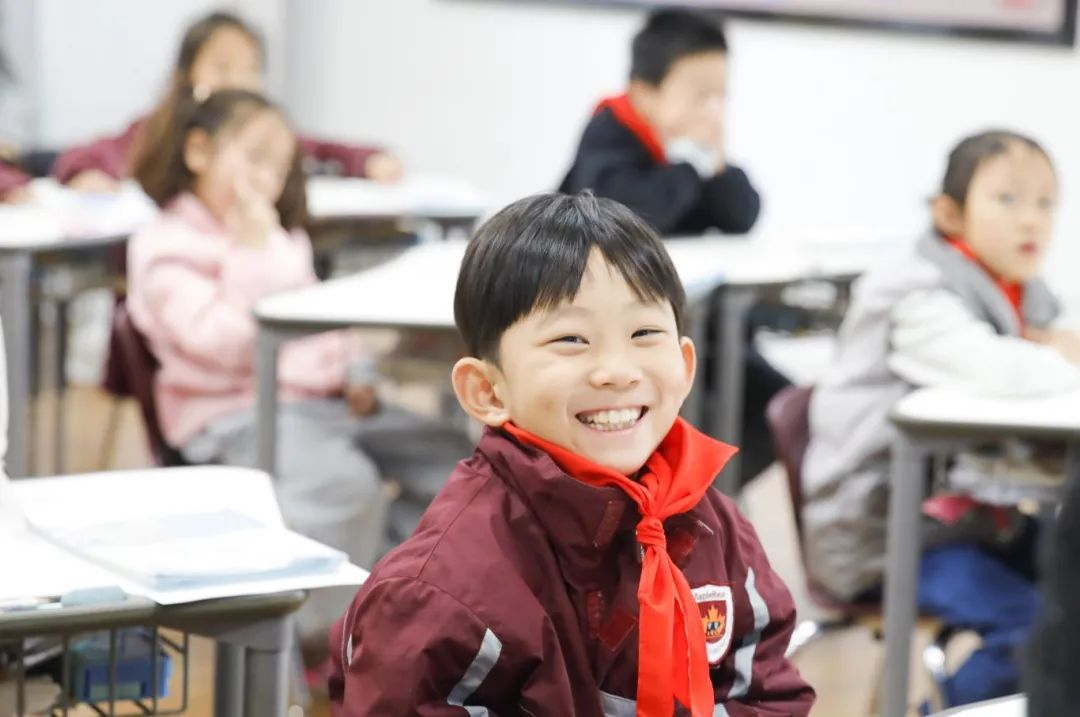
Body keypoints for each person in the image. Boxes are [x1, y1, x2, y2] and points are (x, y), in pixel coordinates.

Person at [328, 192, 814, 716]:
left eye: (645, 333)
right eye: (572, 339)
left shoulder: (714, 526)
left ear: (684, 364)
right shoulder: (439, 586)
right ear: (487, 391)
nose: (617, 370)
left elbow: (768, 691)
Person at [124, 87, 468, 654]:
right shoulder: (166, 245)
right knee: (346, 485)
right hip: (234, 413)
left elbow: (323, 318)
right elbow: (228, 346)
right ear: (199, 152)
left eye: (281, 167)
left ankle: (392, 608)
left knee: (454, 465)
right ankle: (322, 646)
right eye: (255, 158)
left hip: (321, 402)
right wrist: (251, 249)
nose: (269, 178)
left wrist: (355, 371)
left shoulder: (280, 234)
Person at [804, 129, 1080, 705]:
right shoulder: (916, 289)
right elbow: (999, 369)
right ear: (949, 214)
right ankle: (946, 704)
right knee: (1033, 631)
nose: (1031, 220)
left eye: (1045, 203)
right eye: (1007, 199)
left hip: (962, 520)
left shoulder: (1015, 288)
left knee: (1069, 589)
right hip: (884, 534)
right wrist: (1053, 349)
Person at [53, 11, 401, 193]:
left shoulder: (263, 132)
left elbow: (320, 149)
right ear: (187, 74)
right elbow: (82, 156)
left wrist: (368, 161)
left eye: (250, 68)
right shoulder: (159, 127)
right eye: (222, 67)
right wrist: (86, 174)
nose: (237, 80)